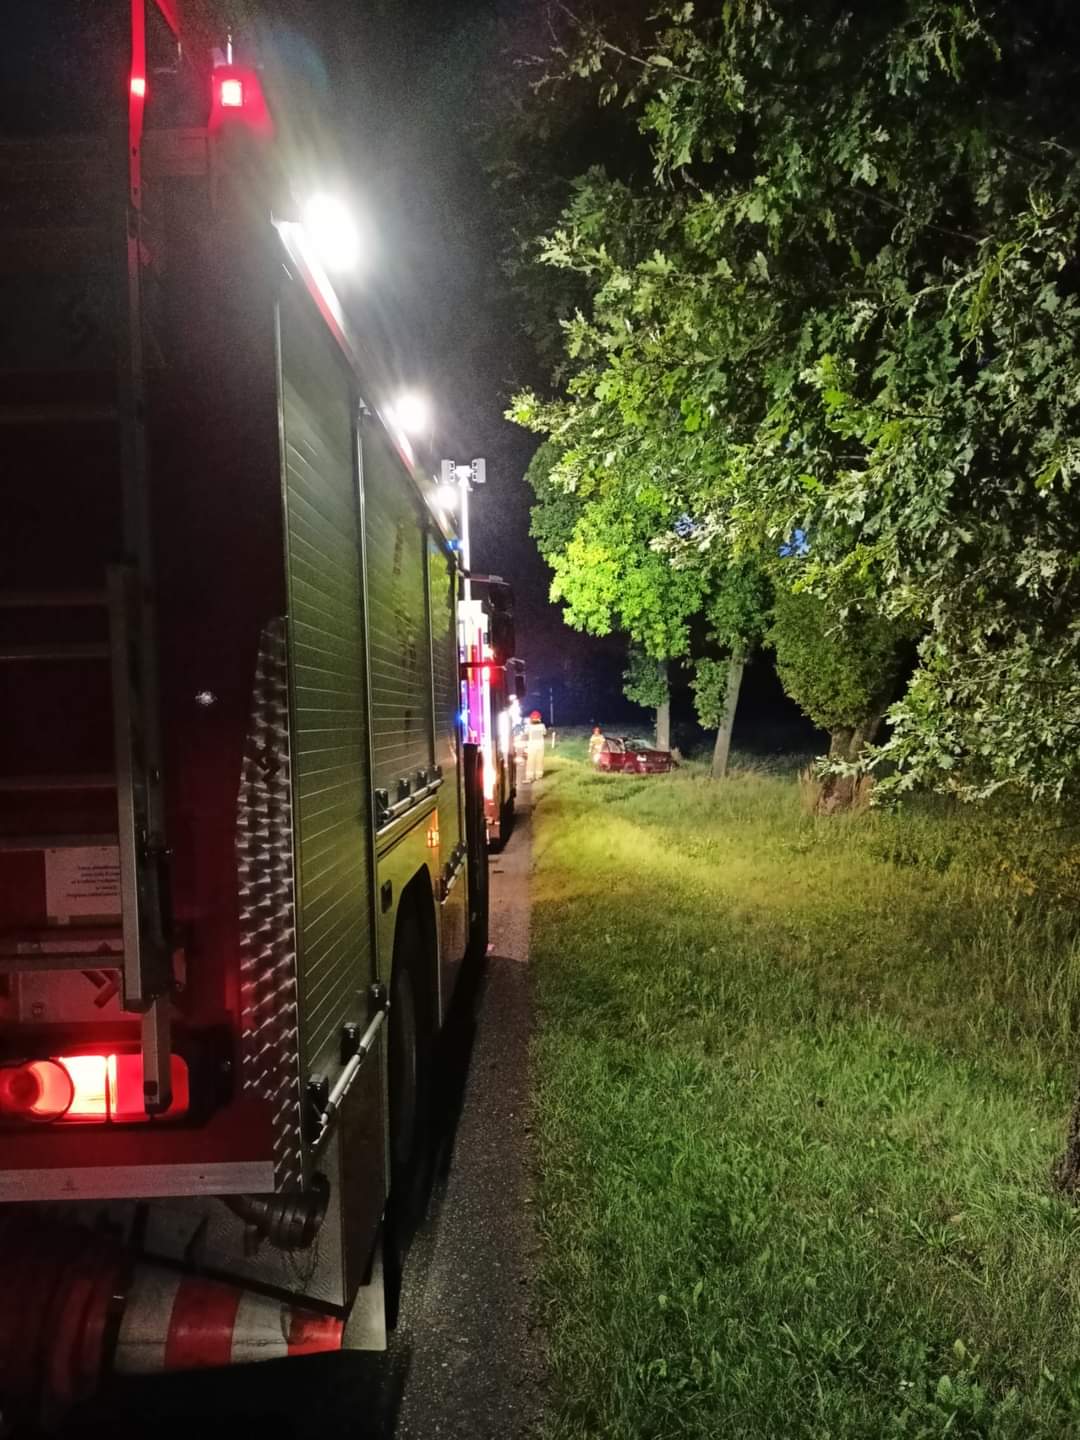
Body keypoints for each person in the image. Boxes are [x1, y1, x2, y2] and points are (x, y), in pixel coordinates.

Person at [525, 709, 547, 782]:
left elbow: (526, 733)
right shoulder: (542, 726)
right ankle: (539, 776)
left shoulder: (529, 726)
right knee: (539, 761)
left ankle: (530, 777)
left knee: (530, 761)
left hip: (532, 746)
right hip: (540, 746)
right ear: (539, 718)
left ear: (531, 719)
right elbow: (544, 733)